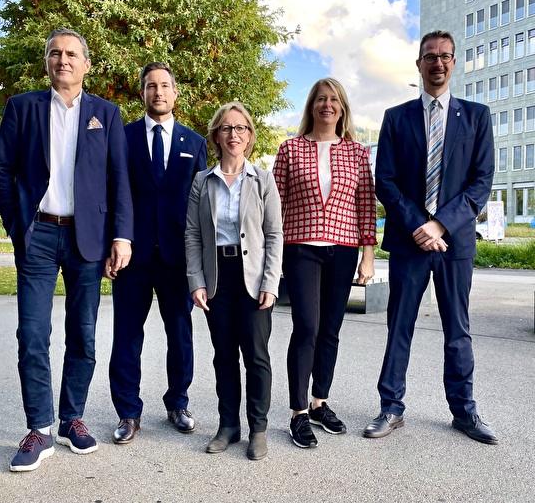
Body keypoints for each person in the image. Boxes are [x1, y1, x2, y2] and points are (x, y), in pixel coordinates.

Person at [0, 28, 134, 472]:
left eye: (72, 54)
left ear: (86, 64)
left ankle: (73, 419)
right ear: (47, 62)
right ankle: (39, 428)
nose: (63, 60)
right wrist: (19, 226)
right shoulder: (22, 108)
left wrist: (121, 236)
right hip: (39, 236)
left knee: (83, 335)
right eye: (56, 53)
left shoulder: (106, 114)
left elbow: (119, 179)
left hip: (87, 240)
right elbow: (0, 169)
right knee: (32, 335)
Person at [363, 30, 498, 445]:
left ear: (453, 63)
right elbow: (384, 181)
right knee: (399, 326)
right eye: (429, 57)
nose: (437, 64)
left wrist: (439, 225)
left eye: (445, 57)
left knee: (458, 329)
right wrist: (418, 225)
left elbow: (480, 183)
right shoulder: (396, 117)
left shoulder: (476, 116)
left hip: (454, 244)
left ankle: (465, 411)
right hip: (409, 242)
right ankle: (390, 407)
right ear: (418, 64)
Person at [272, 78, 377, 449]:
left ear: (342, 107)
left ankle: (320, 402)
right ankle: (298, 412)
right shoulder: (290, 149)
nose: (327, 105)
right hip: (300, 248)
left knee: (330, 329)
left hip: (344, 249)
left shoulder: (358, 153)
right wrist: (273, 254)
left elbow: (366, 206)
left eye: (333, 100)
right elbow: (274, 205)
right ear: (311, 106)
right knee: (307, 327)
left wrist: (367, 255)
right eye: (320, 99)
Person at [108, 62, 207, 444]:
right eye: (151, 86)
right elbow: (111, 193)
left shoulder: (194, 143)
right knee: (127, 336)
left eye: (165, 85)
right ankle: (128, 412)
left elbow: (200, 206)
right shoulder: (123, 137)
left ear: (175, 93)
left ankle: (178, 403)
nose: (158, 92)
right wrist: (111, 245)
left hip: (177, 258)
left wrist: (200, 261)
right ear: (142, 94)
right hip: (130, 256)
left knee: (180, 334)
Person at [185, 102, 283, 460]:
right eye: (226, 128)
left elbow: (274, 234)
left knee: (256, 357)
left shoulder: (263, 180)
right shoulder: (202, 181)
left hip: (254, 279)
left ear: (250, 136)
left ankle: (258, 428)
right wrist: (196, 279)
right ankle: (228, 425)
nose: (234, 135)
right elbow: (193, 234)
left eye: (241, 128)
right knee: (223, 356)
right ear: (216, 135)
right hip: (217, 279)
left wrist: (271, 282)